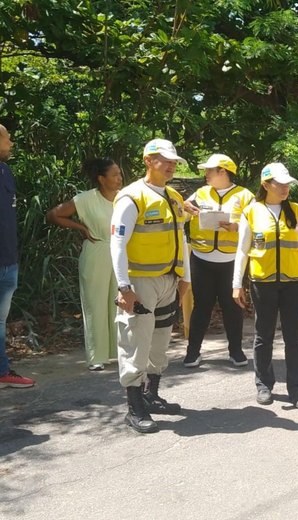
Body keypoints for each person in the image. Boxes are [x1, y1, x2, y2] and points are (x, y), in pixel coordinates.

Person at [111, 138, 191, 433]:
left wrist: (186, 279)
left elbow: (182, 239)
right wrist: (124, 287)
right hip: (140, 283)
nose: (171, 166)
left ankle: (151, 394)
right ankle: (134, 408)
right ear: (148, 160)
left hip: (169, 281)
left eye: (173, 162)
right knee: (136, 343)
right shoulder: (131, 197)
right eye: (165, 160)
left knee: (160, 342)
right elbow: (117, 244)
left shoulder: (173, 197)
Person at [232, 162, 298, 409]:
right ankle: (263, 385)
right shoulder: (251, 211)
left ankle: (296, 389)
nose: (285, 188)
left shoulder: (297, 211)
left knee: (294, 338)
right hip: (263, 282)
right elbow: (242, 250)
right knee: (263, 336)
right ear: (266, 184)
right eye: (279, 184)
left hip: (293, 282)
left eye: (287, 184)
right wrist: (236, 283)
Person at [46, 158, 123, 371]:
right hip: (96, 252)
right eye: (115, 175)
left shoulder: (124, 198)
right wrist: (81, 228)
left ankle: (117, 352)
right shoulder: (86, 199)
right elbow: (53, 214)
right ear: (101, 179)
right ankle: (96, 357)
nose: (119, 178)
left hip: (119, 254)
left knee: (118, 303)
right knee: (95, 304)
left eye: (120, 174)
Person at [181, 154, 254, 368]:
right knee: (201, 307)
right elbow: (183, 211)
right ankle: (193, 352)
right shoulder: (201, 193)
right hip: (201, 259)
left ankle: (236, 351)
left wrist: (236, 227)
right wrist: (185, 207)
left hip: (231, 261)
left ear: (223, 171)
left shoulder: (244, 196)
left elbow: (257, 224)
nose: (206, 174)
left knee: (232, 307)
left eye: (209, 170)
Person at [0, 124, 36, 389]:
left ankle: (2, 371)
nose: (11, 143)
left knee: (0, 321)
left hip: (8, 262)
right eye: (8, 138)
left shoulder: (6, 171)